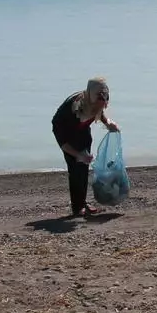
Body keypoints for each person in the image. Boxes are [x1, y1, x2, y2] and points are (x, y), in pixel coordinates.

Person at [52, 77, 120, 217]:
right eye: (99, 102)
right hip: (67, 134)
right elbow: (62, 141)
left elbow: (99, 111)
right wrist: (77, 154)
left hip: (82, 131)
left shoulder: (96, 101)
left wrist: (108, 123)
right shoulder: (74, 107)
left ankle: (82, 202)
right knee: (76, 170)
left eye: (104, 102)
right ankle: (77, 208)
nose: (102, 105)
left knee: (84, 167)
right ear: (90, 96)